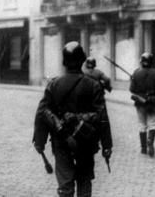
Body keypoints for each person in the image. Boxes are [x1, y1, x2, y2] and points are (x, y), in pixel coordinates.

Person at [33, 42, 113, 197]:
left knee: (65, 185)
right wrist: (107, 146)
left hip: (62, 142)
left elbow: (42, 113)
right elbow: (102, 117)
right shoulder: (93, 85)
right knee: (84, 182)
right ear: (82, 60)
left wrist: (39, 141)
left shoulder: (54, 84)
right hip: (86, 142)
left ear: (64, 62)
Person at [129, 52, 155, 157]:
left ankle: (143, 148)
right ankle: (150, 139)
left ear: (141, 61)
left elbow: (132, 89)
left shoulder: (136, 73)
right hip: (153, 102)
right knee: (153, 124)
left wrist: (136, 83)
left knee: (142, 124)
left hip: (140, 103)